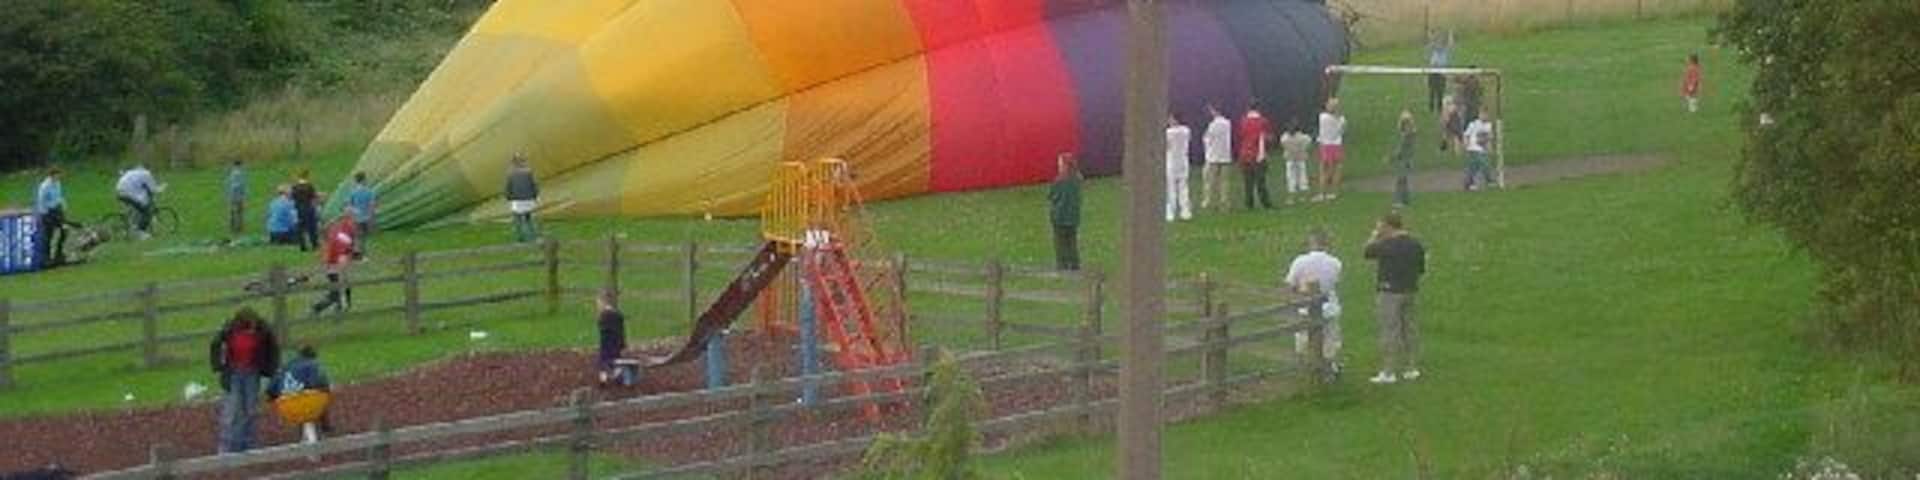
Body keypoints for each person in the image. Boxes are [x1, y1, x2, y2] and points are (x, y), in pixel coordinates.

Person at [1363, 212, 1426, 385]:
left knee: (1389, 330)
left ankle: (1389, 370)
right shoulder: (1415, 244)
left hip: (1389, 292)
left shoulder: (1385, 244)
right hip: (1410, 289)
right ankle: (1411, 367)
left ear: (1388, 227)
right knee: (1409, 329)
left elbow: (1367, 251)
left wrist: (1374, 235)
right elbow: (1421, 269)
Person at [208, 307, 281, 453]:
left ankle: (249, 443)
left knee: (251, 410)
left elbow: (273, 348)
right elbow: (215, 344)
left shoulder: (262, 331)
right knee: (233, 410)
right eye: (249, 326)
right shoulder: (230, 330)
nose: (252, 329)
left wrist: (271, 368)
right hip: (234, 373)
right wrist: (218, 366)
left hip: (252, 374)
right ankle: (227, 446)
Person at [1286, 228, 1343, 374]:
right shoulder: (1335, 263)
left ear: (1312, 242)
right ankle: (1329, 367)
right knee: (1330, 338)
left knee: (1303, 338)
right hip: (1329, 307)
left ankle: (1305, 367)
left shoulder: (1300, 261)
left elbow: (1290, 284)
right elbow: (1334, 283)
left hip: (1304, 307)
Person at [266, 345, 333, 442]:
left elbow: (270, 390)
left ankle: (303, 435)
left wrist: (274, 397)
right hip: (306, 401)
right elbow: (315, 382)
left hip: (287, 405)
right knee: (320, 398)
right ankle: (325, 428)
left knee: (299, 411)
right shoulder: (311, 364)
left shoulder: (285, 367)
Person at [309, 209, 357, 315]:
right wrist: (342, 265)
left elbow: (327, 239)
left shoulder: (336, 227)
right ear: (349, 217)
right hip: (335, 262)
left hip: (330, 260)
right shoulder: (346, 229)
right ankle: (318, 308)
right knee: (337, 288)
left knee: (342, 285)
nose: (355, 220)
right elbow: (342, 249)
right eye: (353, 217)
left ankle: (343, 307)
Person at [1047, 153, 1082, 271]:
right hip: (1073, 217)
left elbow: (1052, 196)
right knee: (1072, 243)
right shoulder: (1077, 180)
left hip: (1060, 217)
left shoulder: (1059, 181)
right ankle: (1074, 264)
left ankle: (1062, 265)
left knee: (1060, 244)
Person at [1237, 103, 1273, 209]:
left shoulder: (1243, 121)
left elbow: (1241, 136)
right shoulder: (1263, 121)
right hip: (1258, 154)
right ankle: (1265, 203)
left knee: (1248, 182)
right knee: (1261, 182)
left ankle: (1249, 204)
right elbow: (1268, 137)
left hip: (1245, 154)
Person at [114, 163, 164, 240]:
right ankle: (140, 232)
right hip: (129, 193)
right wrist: (161, 188)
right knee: (146, 211)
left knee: (136, 207)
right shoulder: (146, 174)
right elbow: (153, 189)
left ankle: (128, 227)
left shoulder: (133, 172)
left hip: (119, 190)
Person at [34, 166, 72, 267]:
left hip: (57, 210)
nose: (59, 177)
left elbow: (59, 196)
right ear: (52, 175)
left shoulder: (57, 183)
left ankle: (59, 254)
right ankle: (46, 259)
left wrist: (63, 205)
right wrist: (45, 214)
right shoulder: (45, 186)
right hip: (47, 212)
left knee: (65, 230)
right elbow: (41, 200)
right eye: (57, 175)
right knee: (48, 235)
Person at [1200, 104, 1233, 210]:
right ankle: (1224, 202)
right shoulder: (1228, 123)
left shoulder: (1213, 125)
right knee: (1224, 181)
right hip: (1225, 155)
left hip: (1213, 156)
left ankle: (1208, 201)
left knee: (1209, 181)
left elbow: (1208, 138)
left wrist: (1205, 139)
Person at [594, 290, 630, 385]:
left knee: (604, 361)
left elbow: (603, 331)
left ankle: (604, 379)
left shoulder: (603, 316)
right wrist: (623, 344)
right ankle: (617, 375)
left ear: (603, 302)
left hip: (606, 343)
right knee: (616, 359)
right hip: (617, 343)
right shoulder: (618, 315)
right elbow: (621, 331)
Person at [1315, 98, 1347, 201]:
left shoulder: (1323, 117)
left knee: (1323, 170)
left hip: (1325, 145)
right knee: (1337, 169)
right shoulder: (1342, 120)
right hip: (1337, 145)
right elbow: (1342, 131)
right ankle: (1334, 193)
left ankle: (1322, 193)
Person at [505, 155, 541, 243]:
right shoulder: (528, 172)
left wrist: (509, 198)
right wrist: (535, 196)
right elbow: (534, 185)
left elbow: (508, 188)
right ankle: (532, 237)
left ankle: (520, 238)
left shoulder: (510, 173)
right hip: (528, 199)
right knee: (529, 219)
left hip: (517, 200)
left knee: (518, 220)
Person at [1164, 115, 1193, 221]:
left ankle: (1171, 212)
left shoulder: (1169, 132)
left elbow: (1167, 146)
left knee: (1171, 187)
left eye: (1170, 118)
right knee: (1183, 187)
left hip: (1172, 161)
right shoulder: (1186, 131)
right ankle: (1185, 211)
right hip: (1183, 161)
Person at [1279, 122, 1313, 206]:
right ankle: (1304, 196)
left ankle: (1291, 198)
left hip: (1290, 159)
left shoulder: (1285, 138)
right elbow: (1309, 142)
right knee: (1302, 177)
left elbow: (1283, 144)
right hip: (1301, 159)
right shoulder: (1303, 137)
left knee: (1291, 178)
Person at [1462, 110, 1497, 191]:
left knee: (1474, 167)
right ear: (1479, 115)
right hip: (1473, 149)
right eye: (1483, 114)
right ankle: (1489, 181)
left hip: (1482, 149)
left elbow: (1489, 138)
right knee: (1482, 164)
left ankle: (1469, 183)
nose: (1484, 116)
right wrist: (1466, 144)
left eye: (1486, 114)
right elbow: (1466, 135)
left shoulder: (1489, 125)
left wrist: (1490, 146)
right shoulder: (1473, 124)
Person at [1391, 109, 1418, 207]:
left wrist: (1393, 156)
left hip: (1404, 160)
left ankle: (1400, 200)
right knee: (1403, 179)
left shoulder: (1407, 135)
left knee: (1401, 179)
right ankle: (1406, 200)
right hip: (1406, 159)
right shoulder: (1409, 134)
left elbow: (1400, 149)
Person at [289, 170, 320, 251]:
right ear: (307, 176)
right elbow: (314, 197)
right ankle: (314, 244)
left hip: (299, 209)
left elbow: (292, 197)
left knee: (300, 228)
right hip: (308, 208)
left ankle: (302, 246)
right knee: (311, 228)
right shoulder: (309, 186)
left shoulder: (295, 187)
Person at [1425, 29, 1454, 112]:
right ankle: (1431, 107)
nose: (1439, 44)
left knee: (1440, 91)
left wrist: (1450, 35)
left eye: (1440, 42)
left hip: (1442, 73)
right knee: (1432, 91)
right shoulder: (1433, 49)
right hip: (1433, 72)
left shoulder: (1445, 51)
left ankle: (1439, 108)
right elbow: (1429, 46)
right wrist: (1432, 37)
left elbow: (1451, 45)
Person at [346, 172, 376, 238]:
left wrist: (352, 217)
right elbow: (372, 207)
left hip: (356, 219)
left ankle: (358, 246)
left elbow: (348, 207)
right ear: (363, 180)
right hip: (367, 219)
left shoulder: (353, 193)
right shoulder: (370, 192)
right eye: (366, 179)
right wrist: (372, 220)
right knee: (367, 237)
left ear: (356, 181)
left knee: (358, 237)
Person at [226, 161, 247, 236]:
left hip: (232, 195)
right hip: (237, 196)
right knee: (239, 212)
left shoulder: (231, 173)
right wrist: (242, 194)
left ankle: (232, 226)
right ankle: (238, 227)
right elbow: (239, 185)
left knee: (232, 212)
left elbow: (230, 185)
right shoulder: (238, 174)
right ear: (239, 165)